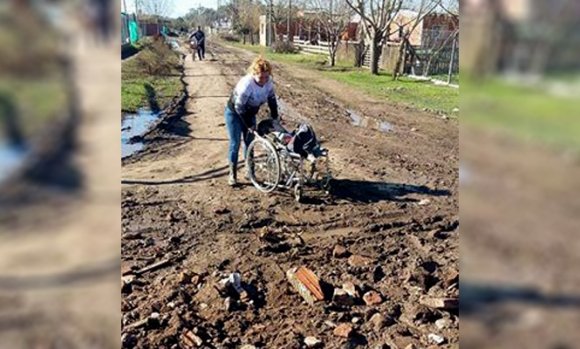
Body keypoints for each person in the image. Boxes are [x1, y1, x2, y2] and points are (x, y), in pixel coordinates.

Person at [224, 56, 279, 186]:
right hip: (235, 113)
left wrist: (275, 118)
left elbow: (272, 101)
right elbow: (239, 107)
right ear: (254, 74)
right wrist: (249, 125)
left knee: (250, 142)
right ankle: (232, 174)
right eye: (261, 77)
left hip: (250, 113)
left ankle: (250, 172)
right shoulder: (247, 84)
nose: (264, 80)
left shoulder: (269, 83)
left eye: (266, 77)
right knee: (235, 142)